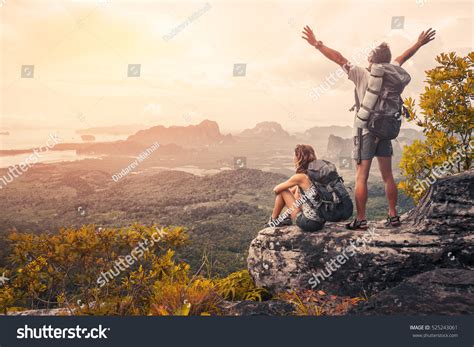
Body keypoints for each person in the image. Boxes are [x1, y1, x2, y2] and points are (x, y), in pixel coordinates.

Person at [302, 25, 436, 230]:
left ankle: (361, 220)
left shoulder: (361, 74)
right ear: (387, 59)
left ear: (371, 60)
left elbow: (339, 58)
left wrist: (317, 44)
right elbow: (403, 57)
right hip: (386, 130)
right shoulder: (393, 71)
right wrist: (419, 43)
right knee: (388, 175)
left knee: (361, 177)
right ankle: (393, 216)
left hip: (366, 132)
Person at [266, 144, 325, 232]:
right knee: (297, 189)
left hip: (308, 223)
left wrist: (286, 195)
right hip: (321, 223)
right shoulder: (318, 173)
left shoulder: (300, 177)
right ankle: (286, 217)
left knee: (283, 191)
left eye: (295, 156)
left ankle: (273, 220)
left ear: (299, 158)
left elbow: (276, 189)